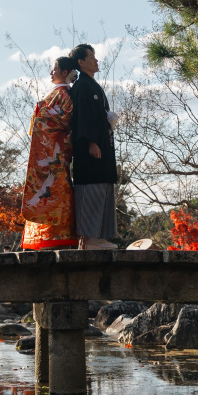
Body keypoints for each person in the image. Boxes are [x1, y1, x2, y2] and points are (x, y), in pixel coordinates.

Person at [21, 55, 79, 250]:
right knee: (43, 190)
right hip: (46, 155)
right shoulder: (56, 94)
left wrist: (42, 113)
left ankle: (55, 236)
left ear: (64, 72)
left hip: (55, 155)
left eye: (54, 68)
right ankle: (42, 237)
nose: (50, 72)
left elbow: (65, 119)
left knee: (54, 190)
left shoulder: (64, 95)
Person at [68, 43, 118, 249]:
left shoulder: (93, 85)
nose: (96, 60)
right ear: (81, 62)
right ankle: (89, 238)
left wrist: (108, 120)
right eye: (91, 56)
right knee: (90, 187)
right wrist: (91, 141)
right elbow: (83, 118)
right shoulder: (81, 86)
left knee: (103, 185)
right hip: (90, 149)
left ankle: (98, 236)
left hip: (102, 146)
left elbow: (96, 115)